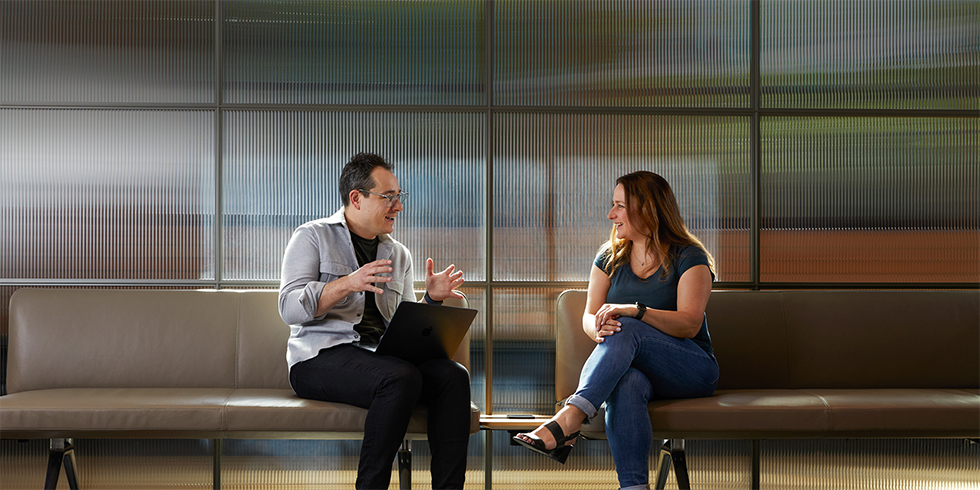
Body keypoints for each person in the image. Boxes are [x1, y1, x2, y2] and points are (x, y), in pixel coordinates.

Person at [513, 171, 719, 490]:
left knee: (628, 326)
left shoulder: (690, 256)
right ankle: (633, 487)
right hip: (637, 370)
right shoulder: (609, 257)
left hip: (690, 368)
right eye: (613, 205)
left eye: (619, 206)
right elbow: (589, 315)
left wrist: (635, 311)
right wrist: (599, 327)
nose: (611, 215)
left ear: (648, 208)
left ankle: (571, 418)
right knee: (627, 382)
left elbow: (690, 323)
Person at [278, 152, 471, 490]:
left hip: (379, 359)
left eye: (400, 197)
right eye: (389, 197)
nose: (398, 206)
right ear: (357, 198)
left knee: (453, 376)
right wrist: (346, 283)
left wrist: (432, 299)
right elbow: (289, 309)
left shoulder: (399, 254)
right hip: (319, 358)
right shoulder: (312, 236)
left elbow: (405, 324)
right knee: (399, 377)